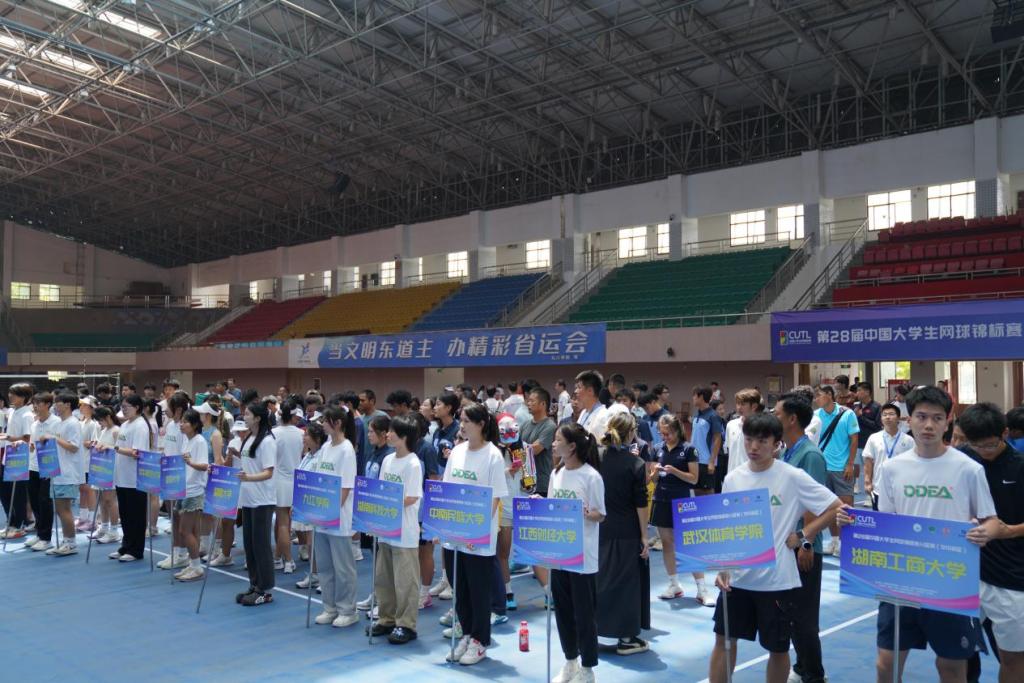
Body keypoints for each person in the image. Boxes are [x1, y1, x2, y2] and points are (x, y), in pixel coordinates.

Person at [848, 386, 1001, 683]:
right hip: (901, 577)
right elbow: (886, 522)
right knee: (886, 665)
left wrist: (985, 532)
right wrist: (854, 522)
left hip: (949, 579)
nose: (929, 425)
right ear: (910, 420)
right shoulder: (892, 469)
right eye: (921, 417)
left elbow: (991, 520)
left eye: (937, 418)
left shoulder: (969, 469)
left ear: (948, 421)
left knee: (951, 667)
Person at [709, 413, 843, 683]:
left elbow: (835, 507)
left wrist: (804, 534)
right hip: (737, 580)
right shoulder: (733, 478)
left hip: (777, 581)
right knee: (724, 640)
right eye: (749, 440)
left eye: (762, 441)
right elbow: (727, 526)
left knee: (778, 649)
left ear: (776, 443)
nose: (754, 447)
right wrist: (723, 566)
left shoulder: (792, 476)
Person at [956, 403, 1024, 683]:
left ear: (1005, 434)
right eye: (976, 445)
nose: (983, 451)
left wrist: (1009, 531)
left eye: (990, 445)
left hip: (1010, 577)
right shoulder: (963, 459)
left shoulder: (1020, 467)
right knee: (959, 653)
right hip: (963, 572)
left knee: (1012, 657)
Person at [442, 402, 508, 666]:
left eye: (467, 421)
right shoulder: (457, 452)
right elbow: (447, 491)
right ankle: (467, 634)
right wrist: (444, 526)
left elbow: (495, 498)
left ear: (481, 424)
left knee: (479, 591)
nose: (462, 425)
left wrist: (475, 530)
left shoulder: (493, 455)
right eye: (461, 420)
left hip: (478, 539)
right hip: (454, 535)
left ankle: (480, 641)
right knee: (460, 588)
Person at [774, 393, 830, 683]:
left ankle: (814, 675)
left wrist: (806, 543)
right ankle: (801, 667)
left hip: (803, 547)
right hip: (786, 545)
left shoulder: (810, 455)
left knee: (805, 617)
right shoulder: (787, 452)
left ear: (792, 419)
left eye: (777, 414)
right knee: (790, 611)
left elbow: (814, 504)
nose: (773, 418)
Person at [548, 423, 606, 683]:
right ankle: (570, 660)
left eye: (557, 440)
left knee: (584, 614)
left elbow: (600, 514)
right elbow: (553, 507)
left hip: (583, 557)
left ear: (572, 446)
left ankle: (588, 667)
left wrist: (583, 513)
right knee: (563, 611)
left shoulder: (591, 476)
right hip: (560, 553)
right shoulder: (556, 473)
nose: (553, 444)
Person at [597, 412, 650, 656]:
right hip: (627, 531)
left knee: (599, 580)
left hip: (598, 528)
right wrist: (644, 536)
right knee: (627, 584)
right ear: (630, 434)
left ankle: (592, 629)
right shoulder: (635, 464)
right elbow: (641, 503)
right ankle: (627, 638)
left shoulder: (595, 459)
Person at [370, 414, 424, 644]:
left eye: (392, 432)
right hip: (386, 528)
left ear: (404, 437)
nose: (388, 434)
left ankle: (406, 624)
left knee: (405, 581)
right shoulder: (387, 460)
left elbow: (411, 497)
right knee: (384, 579)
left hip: (404, 531)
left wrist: (387, 502)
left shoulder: (413, 463)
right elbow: (382, 488)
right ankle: (387, 618)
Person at [650, 413, 711, 605]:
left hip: (683, 502)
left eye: (668, 433)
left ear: (677, 430)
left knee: (689, 544)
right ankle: (674, 584)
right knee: (667, 543)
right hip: (661, 500)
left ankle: (702, 589)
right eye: (662, 433)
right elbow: (653, 479)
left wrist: (674, 471)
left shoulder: (689, 449)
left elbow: (694, 479)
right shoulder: (657, 449)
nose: (665, 437)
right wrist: (654, 473)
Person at [308, 406, 360, 626]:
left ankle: (348, 610)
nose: (322, 425)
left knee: (343, 568)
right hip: (322, 517)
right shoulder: (326, 447)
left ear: (337, 423)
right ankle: (329, 607)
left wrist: (330, 512)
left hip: (339, 519)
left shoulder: (347, 450)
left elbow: (345, 488)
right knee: (325, 566)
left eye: (325, 421)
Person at [236, 403, 277, 607]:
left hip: (263, 500)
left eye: (247, 414)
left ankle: (265, 589)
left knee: (261, 545)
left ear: (258, 418)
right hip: (248, 499)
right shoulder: (249, 438)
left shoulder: (267, 441)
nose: (244, 416)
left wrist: (249, 478)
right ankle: (254, 584)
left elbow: (269, 472)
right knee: (250, 545)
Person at [813, 384, 858, 556]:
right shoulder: (815, 416)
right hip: (821, 468)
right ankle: (834, 541)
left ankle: (847, 542)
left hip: (842, 468)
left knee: (846, 507)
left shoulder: (847, 414)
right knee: (829, 507)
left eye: (819, 395)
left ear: (829, 395)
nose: (816, 399)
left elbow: (854, 440)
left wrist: (850, 464)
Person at [110, 394, 154, 562]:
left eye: (126, 407)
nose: (123, 410)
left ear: (137, 408)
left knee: (136, 515)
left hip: (135, 478)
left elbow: (137, 452)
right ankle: (126, 546)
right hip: (122, 476)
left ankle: (136, 550)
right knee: (126, 514)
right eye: (122, 407)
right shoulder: (125, 424)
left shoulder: (141, 426)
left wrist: (116, 448)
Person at [177, 408, 210, 581]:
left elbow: (204, 466)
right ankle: (193, 564)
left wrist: (190, 462)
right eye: (181, 421)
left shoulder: (199, 441)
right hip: (184, 488)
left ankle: (197, 567)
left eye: (185, 422)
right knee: (191, 530)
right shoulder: (186, 440)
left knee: (185, 530)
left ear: (195, 425)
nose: (181, 425)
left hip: (194, 491)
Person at [24, 392, 60, 552]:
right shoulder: (34, 424)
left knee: (45, 501)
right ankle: (39, 533)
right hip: (33, 466)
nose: (35, 406)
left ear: (48, 404)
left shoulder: (57, 422)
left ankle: (46, 538)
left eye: (38, 403)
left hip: (48, 467)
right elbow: (32, 445)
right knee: (34, 500)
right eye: (34, 403)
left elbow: (60, 445)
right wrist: (30, 446)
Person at [294, 423, 328, 590]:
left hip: (316, 504)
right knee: (310, 543)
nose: (303, 437)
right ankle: (314, 574)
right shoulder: (307, 455)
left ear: (317, 438)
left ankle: (323, 577)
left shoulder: (323, 456)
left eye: (307, 434)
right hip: (304, 503)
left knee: (316, 543)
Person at [50, 392, 84, 556]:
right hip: (58, 472)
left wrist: (54, 439)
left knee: (64, 509)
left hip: (68, 473)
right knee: (59, 509)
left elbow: (74, 447)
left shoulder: (73, 423)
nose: (55, 406)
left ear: (68, 405)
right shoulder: (60, 423)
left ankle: (71, 543)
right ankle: (66, 540)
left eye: (58, 403)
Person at [862, 402, 914, 508]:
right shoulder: (874, 438)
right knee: (879, 517)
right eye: (884, 415)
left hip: (902, 488)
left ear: (898, 418)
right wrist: (867, 482)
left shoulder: (908, 440)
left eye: (891, 414)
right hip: (879, 488)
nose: (887, 417)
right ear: (881, 419)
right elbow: (868, 461)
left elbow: (913, 464)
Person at [272, 399, 303, 574]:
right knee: (284, 523)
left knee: (283, 524)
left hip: (280, 482)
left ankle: (289, 560)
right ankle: (277, 557)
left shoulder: (273, 433)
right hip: (295, 482)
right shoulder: (301, 433)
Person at [1, 383, 35, 540]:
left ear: (23, 397)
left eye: (14, 394)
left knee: (18, 494)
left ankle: (19, 525)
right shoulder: (13, 411)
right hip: (8, 457)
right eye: (10, 393)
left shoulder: (27, 415)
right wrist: (6, 437)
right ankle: (11, 523)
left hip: (20, 459)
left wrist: (9, 438)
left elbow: (27, 438)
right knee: (5, 492)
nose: (10, 396)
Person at [90, 406, 121, 544]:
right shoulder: (104, 430)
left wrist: (107, 448)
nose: (99, 423)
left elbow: (120, 449)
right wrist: (96, 445)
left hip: (111, 469)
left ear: (108, 417)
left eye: (100, 420)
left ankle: (114, 531)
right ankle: (103, 527)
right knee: (101, 500)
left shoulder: (116, 431)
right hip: (101, 468)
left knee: (110, 500)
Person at [522, 387, 556, 497]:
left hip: (542, 483)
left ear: (543, 404)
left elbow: (534, 450)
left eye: (532, 401)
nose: (528, 403)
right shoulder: (525, 424)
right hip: (526, 481)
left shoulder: (550, 426)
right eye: (528, 401)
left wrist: (520, 448)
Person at [691, 385, 724, 494]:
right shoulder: (696, 415)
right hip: (694, 460)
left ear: (701, 397)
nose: (693, 398)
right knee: (696, 491)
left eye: (694, 396)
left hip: (706, 462)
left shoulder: (713, 416)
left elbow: (717, 439)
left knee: (707, 492)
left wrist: (711, 462)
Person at [725, 389, 762, 475]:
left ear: (754, 406)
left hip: (753, 476)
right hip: (732, 475)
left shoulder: (762, 427)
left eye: (743, 404)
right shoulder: (731, 425)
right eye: (738, 403)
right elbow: (729, 450)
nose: (739, 407)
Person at [853, 382, 881, 493]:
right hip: (857, 442)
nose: (857, 393)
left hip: (870, 443)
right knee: (857, 466)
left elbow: (877, 426)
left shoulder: (876, 407)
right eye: (857, 390)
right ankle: (857, 485)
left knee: (869, 469)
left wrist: (861, 417)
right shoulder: (856, 406)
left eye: (859, 390)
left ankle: (871, 491)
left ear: (867, 392)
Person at [575, 370, 610, 440]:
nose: (576, 391)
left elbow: (602, 445)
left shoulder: (603, 415)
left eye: (579, 387)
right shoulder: (584, 412)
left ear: (590, 391)